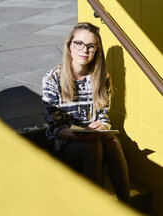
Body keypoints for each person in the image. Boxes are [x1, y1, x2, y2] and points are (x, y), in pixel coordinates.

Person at [42, 22, 130, 202]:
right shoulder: (52, 79)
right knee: (92, 146)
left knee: (112, 142)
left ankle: (125, 203)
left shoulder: (101, 77)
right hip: (63, 143)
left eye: (91, 46)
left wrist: (101, 126)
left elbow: (103, 116)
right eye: (79, 43)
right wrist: (81, 135)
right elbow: (56, 128)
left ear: (97, 50)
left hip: (91, 136)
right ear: (69, 46)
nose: (85, 50)